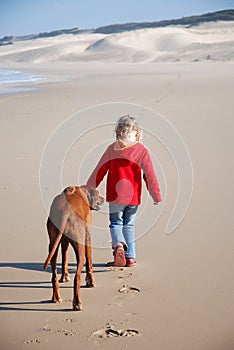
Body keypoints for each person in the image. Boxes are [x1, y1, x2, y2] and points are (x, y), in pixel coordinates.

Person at [86, 115, 161, 267]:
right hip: (133, 197)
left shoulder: (112, 149)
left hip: (115, 196)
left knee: (115, 223)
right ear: (137, 134)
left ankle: (118, 246)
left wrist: (89, 189)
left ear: (119, 133)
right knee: (129, 225)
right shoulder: (142, 151)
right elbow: (149, 174)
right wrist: (155, 194)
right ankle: (130, 257)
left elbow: (99, 170)